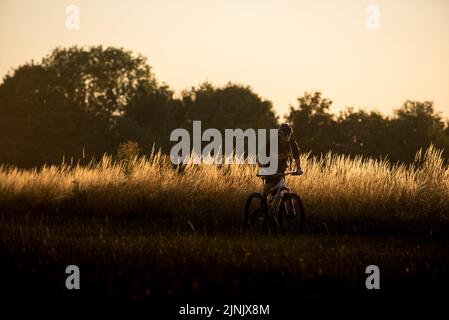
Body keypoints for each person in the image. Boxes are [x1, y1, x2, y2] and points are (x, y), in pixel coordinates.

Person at [260, 123, 303, 203]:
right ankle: (263, 199)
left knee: (278, 191)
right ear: (280, 135)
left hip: (281, 165)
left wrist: (299, 168)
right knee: (269, 182)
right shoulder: (274, 143)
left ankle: (275, 205)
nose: (287, 137)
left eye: (289, 135)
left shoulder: (291, 143)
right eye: (285, 135)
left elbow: (296, 155)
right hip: (268, 163)